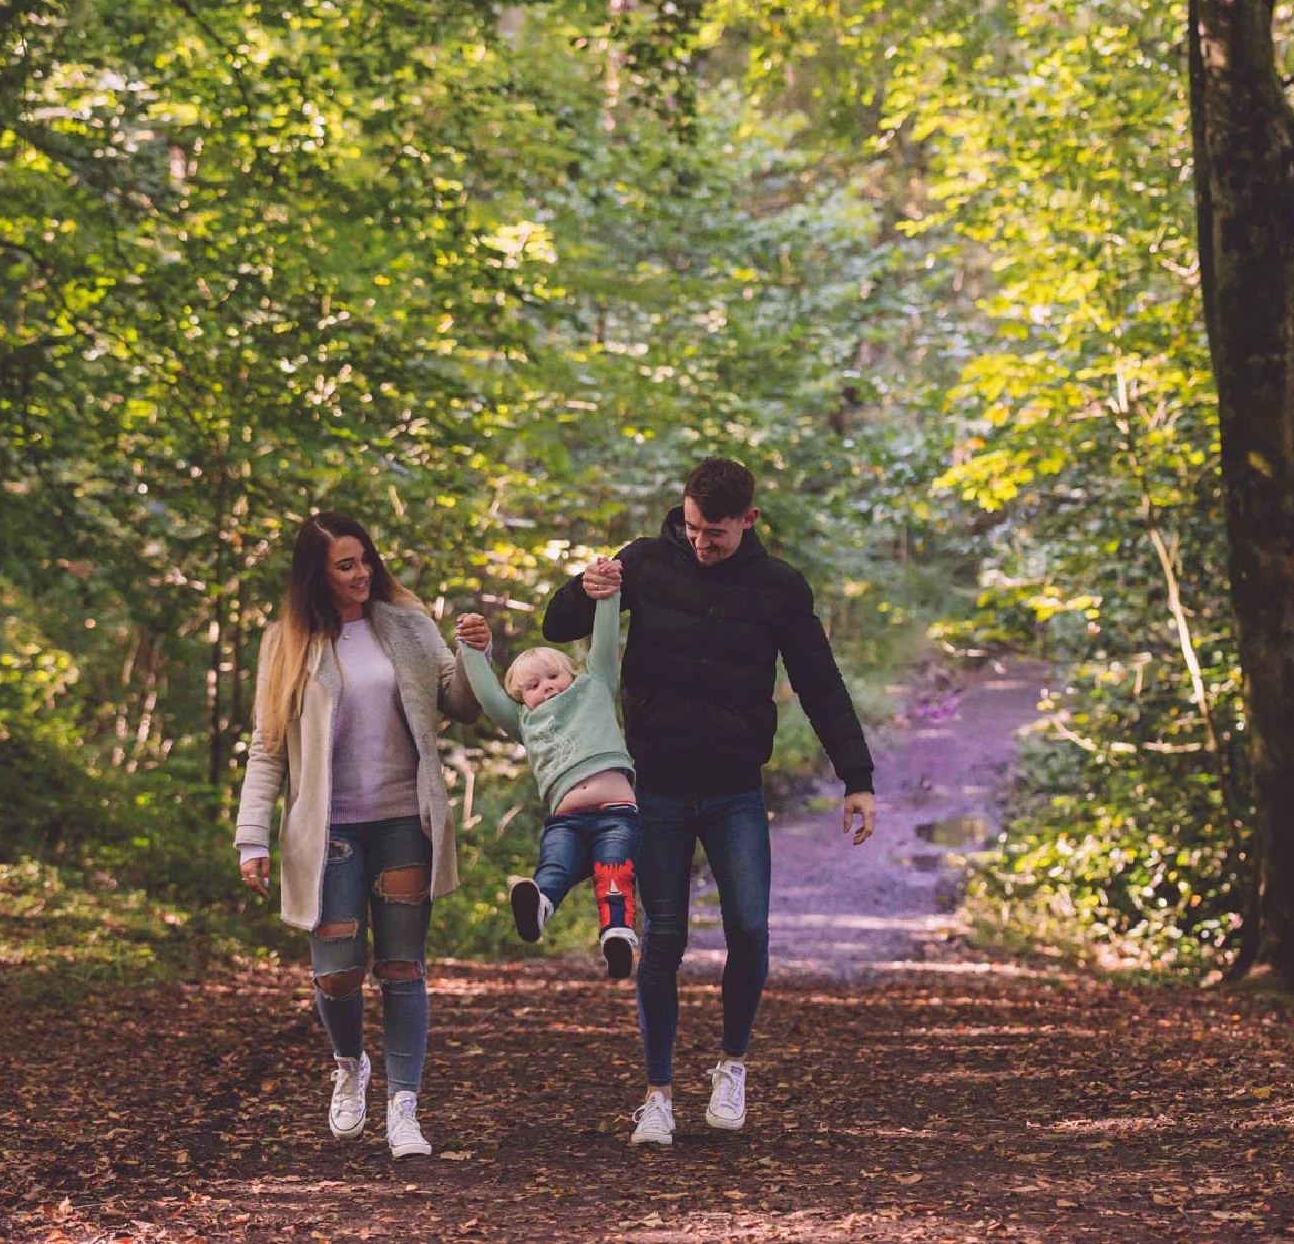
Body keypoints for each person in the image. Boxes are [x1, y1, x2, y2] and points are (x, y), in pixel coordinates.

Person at [541, 457, 878, 1148]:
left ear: (748, 520)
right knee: (663, 938)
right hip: (656, 785)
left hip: (733, 790)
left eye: (716, 533)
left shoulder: (778, 587)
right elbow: (557, 625)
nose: (701, 543)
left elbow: (820, 681)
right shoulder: (644, 562)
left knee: (749, 929)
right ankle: (657, 1095)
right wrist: (585, 585)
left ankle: (731, 1064)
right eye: (692, 527)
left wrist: (858, 776)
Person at [235, 512, 481, 1159]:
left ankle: (405, 1106)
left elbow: (456, 701)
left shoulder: (405, 624)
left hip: (405, 819)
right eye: (345, 565)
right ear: (315, 575)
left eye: (364, 559)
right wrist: (251, 838)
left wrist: (478, 656)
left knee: (402, 967)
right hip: (328, 830)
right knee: (336, 974)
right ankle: (350, 1064)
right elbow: (267, 750)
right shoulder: (285, 643)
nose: (361, 572)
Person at [452, 567, 641, 978]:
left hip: (616, 815)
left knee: (613, 871)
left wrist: (607, 597)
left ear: (571, 673)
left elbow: (605, 644)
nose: (548, 687)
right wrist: (470, 650)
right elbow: (486, 694)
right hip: (566, 821)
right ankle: (538, 908)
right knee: (552, 868)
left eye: (554, 676)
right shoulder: (524, 721)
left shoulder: (595, 687)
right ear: (522, 697)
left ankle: (617, 933)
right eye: (534, 686)